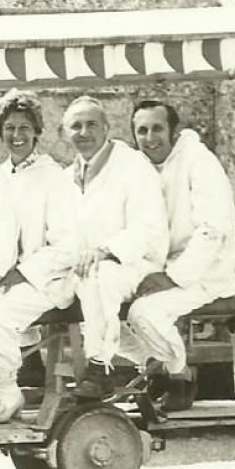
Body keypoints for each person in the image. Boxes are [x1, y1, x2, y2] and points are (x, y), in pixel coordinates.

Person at [0, 93, 81, 425]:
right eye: (9, 128)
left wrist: (21, 273)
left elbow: (68, 245)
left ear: (37, 131)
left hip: (45, 277)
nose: (17, 135)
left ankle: (9, 391)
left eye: (24, 127)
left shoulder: (54, 177)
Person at [123, 100, 235, 413]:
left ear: (174, 132)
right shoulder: (139, 167)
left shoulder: (198, 161)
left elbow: (212, 231)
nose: (150, 138)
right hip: (160, 267)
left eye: (157, 128)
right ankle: (153, 365)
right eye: (142, 131)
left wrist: (172, 277)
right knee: (94, 303)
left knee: (143, 313)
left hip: (204, 271)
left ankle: (179, 376)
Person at [60, 96, 169, 399]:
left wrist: (105, 250)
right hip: (88, 268)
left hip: (137, 262)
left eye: (91, 124)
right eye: (75, 126)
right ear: (65, 133)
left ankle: (100, 366)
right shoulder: (68, 177)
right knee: (85, 295)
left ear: (107, 128)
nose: (84, 132)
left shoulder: (133, 166)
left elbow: (147, 228)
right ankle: (153, 362)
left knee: (101, 279)